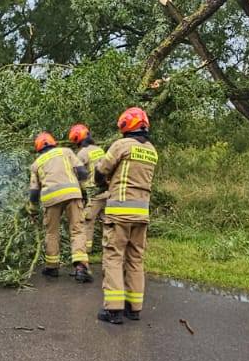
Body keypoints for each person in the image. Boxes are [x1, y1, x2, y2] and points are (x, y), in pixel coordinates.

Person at [94, 107, 158, 324]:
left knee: (113, 257)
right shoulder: (151, 150)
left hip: (120, 213)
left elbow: (101, 170)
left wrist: (101, 182)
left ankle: (113, 310)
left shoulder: (121, 145)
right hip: (141, 213)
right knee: (136, 259)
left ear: (125, 125)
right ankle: (134, 308)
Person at [28, 132, 87, 278]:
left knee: (51, 232)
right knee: (77, 230)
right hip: (72, 194)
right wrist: (83, 191)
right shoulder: (66, 152)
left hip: (51, 198)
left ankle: (52, 267)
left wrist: (33, 209)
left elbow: (34, 191)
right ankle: (80, 268)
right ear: (54, 143)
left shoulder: (36, 164)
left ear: (39, 149)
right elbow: (82, 172)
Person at [67, 123, 106, 283]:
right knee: (107, 222)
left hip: (92, 192)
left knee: (85, 223)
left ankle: (85, 256)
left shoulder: (82, 154)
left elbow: (78, 174)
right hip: (106, 191)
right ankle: (109, 254)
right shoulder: (99, 149)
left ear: (77, 140)